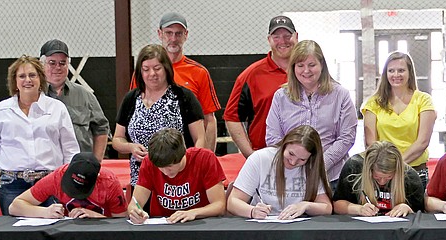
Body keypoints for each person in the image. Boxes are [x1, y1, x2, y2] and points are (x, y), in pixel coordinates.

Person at [0, 55, 80, 215]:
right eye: (22, 76)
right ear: (14, 81)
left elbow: (70, 149)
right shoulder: (0, 110)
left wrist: (62, 179)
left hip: (50, 182)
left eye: (32, 75)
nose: (27, 80)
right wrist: (10, 167)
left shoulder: (57, 108)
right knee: (15, 235)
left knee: (54, 230)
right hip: (12, 185)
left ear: (40, 78)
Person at [265, 40, 357, 187]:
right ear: (293, 67)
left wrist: (320, 166)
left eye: (312, 65)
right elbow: (273, 137)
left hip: (331, 178)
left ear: (322, 65)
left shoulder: (341, 95)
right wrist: (294, 162)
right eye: (300, 65)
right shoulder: (280, 97)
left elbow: (347, 138)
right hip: (291, 177)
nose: (306, 71)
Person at [113, 44, 205, 188]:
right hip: (142, 180)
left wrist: (188, 166)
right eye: (146, 69)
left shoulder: (184, 97)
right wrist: (130, 147)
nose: (152, 74)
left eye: (157, 68)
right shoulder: (131, 99)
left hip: (177, 179)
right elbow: (117, 139)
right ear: (140, 72)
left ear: (166, 69)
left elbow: (200, 139)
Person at [132, 12, 221, 151]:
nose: (173, 38)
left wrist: (205, 157)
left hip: (187, 154)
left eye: (178, 33)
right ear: (159, 34)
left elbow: (209, 119)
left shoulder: (198, 72)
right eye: (168, 33)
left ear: (186, 35)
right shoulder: (145, 73)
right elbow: (133, 114)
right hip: (150, 154)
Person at [224, 15, 298, 157]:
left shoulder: (306, 71)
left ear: (296, 37)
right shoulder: (250, 75)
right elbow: (232, 118)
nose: (282, 41)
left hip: (304, 157)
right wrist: (250, 155)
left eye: (287, 36)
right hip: (266, 156)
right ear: (269, 39)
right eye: (276, 37)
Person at [362, 51, 436, 187]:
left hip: (415, 172)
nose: (396, 75)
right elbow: (370, 143)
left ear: (409, 73)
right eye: (391, 70)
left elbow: (422, 142)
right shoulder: (373, 103)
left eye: (401, 70)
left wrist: (397, 166)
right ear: (385, 74)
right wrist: (387, 169)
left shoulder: (423, 100)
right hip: (382, 175)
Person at [227, 125, 332, 219]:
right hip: (261, 226)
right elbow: (233, 202)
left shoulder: (311, 167)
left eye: (302, 160)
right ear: (284, 145)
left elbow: (327, 207)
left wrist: (306, 205)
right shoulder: (260, 158)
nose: (293, 162)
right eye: (291, 154)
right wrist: (251, 211)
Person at [128, 128, 225, 224]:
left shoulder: (205, 158)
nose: (165, 172)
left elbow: (219, 205)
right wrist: (135, 212)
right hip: (162, 224)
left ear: (183, 155)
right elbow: (135, 203)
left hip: (200, 223)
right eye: (160, 167)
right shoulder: (149, 162)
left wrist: (194, 213)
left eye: (170, 166)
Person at [41, 39, 110, 161]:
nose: (58, 67)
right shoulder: (34, 97)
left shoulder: (84, 95)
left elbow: (101, 128)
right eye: (52, 63)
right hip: (44, 168)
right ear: (41, 64)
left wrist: (96, 163)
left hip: (79, 168)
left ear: (68, 65)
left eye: (62, 63)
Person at [9, 152, 127, 218]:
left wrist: (96, 217)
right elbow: (14, 207)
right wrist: (45, 212)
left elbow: (122, 222)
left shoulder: (109, 183)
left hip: (102, 234)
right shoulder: (57, 177)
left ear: (96, 179)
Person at [333, 141, 425, 217]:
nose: (382, 182)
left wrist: (407, 208)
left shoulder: (410, 177)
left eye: (389, 177)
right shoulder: (354, 168)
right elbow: (337, 205)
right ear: (369, 170)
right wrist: (359, 209)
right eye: (377, 177)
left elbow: (421, 213)